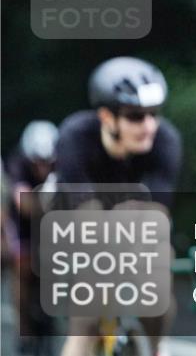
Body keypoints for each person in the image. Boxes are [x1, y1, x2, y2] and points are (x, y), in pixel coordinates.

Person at [56, 57, 182, 356]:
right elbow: (80, 210)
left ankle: (155, 346)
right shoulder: (75, 136)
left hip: (138, 233)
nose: (148, 125)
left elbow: (157, 213)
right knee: (86, 318)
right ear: (107, 117)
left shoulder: (167, 140)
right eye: (136, 116)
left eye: (154, 114)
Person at [5, 121, 60, 355]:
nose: (43, 167)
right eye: (38, 162)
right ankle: (24, 328)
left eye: (47, 162)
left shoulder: (64, 162)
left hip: (52, 225)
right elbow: (22, 203)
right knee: (22, 267)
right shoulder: (17, 164)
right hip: (24, 225)